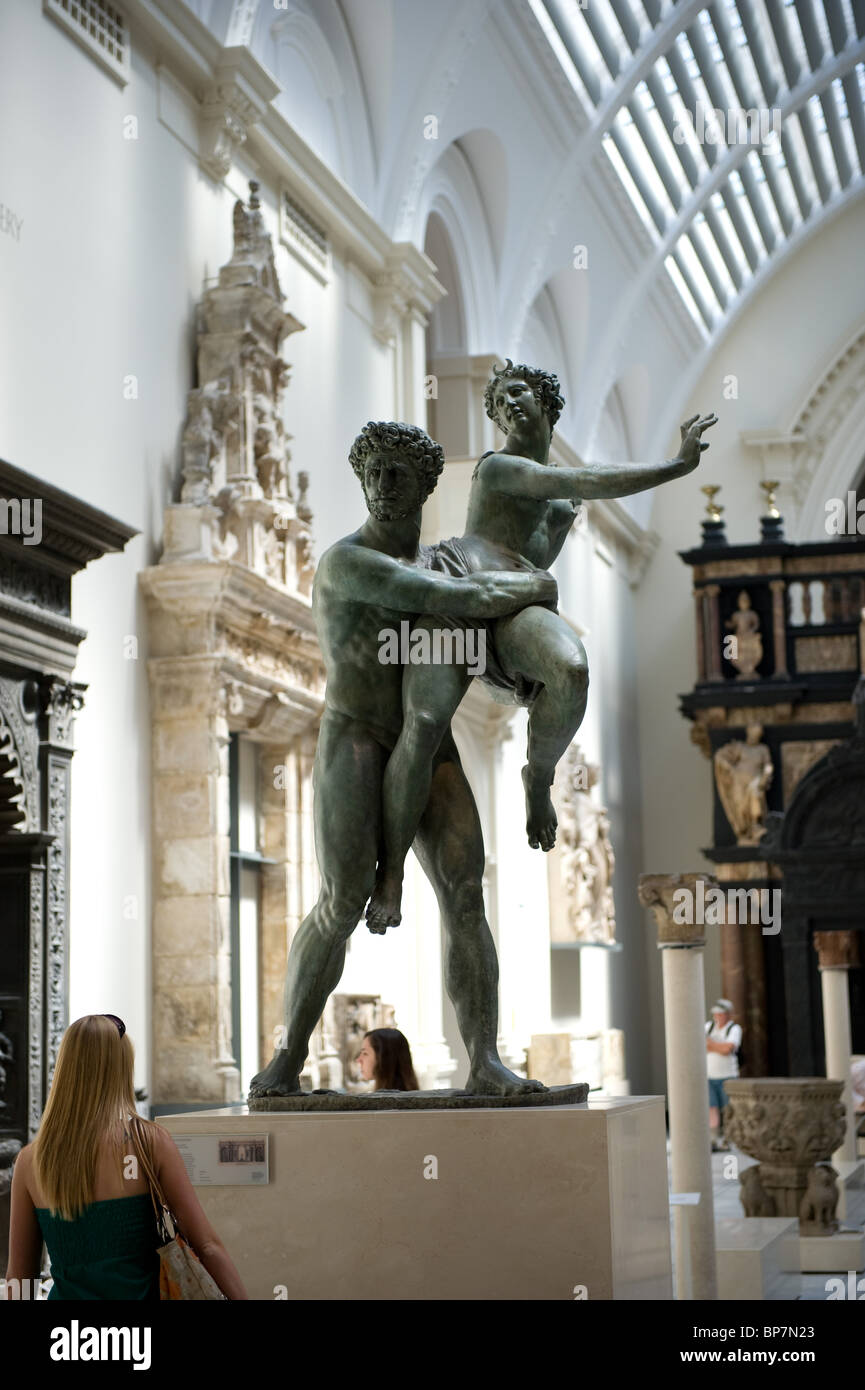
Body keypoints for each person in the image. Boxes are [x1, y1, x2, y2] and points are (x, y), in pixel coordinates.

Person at [249, 420, 554, 1100]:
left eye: (399, 474)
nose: (384, 485)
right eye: (375, 472)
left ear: (424, 485)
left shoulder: (441, 559)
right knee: (342, 897)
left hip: (428, 740)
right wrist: (541, 588)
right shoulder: (348, 562)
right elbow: (461, 600)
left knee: (466, 894)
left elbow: (484, 622)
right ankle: (285, 1060)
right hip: (356, 735)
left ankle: (485, 1061)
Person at [366, 361, 717, 931]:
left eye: (518, 393)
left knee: (571, 668)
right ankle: (392, 875)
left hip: (517, 601)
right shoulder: (501, 467)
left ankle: (539, 775)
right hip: (463, 587)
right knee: (426, 725)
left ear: (548, 401)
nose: (509, 407)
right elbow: (586, 480)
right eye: (500, 403)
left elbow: (548, 536)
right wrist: (676, 466)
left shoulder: (561, 505)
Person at [4, 1013, 247, 1300]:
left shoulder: (31, 1160)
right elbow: (206, 1246)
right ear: (120, 1069)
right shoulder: (149, 1142)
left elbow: (20, 1277)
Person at [706, 999, 742, 1152]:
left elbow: (728, 1049)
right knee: (711, 1107)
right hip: (709, 1075)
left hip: (728, 1075)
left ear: (728, 1015)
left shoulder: (734, 1029)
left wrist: (711, 1045)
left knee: (728, 1108)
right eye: (716, 1014)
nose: (718, 1017)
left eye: (722, 1014)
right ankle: (713, 1139)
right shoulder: (708, 1027)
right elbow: (700, 1045)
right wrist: (719, 1047)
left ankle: (728, 1139)